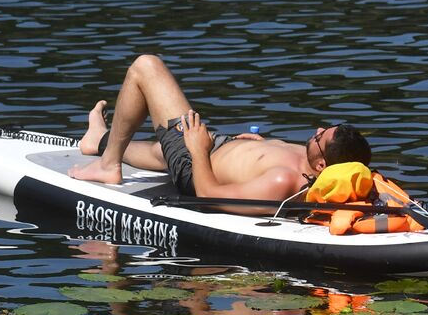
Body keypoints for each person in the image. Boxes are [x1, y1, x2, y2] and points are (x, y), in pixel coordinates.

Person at [70, 54, 372, 213]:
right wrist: (260, 147)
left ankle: (109, 165)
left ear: (322, 166)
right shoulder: (315, 165)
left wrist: (199, 150)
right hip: (216, 148)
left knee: (146, 67)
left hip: (194, 166)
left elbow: (209, 196)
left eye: (320, 138)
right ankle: (97, 141)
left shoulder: (284, 181)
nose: (316, 131)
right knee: (160, 151)